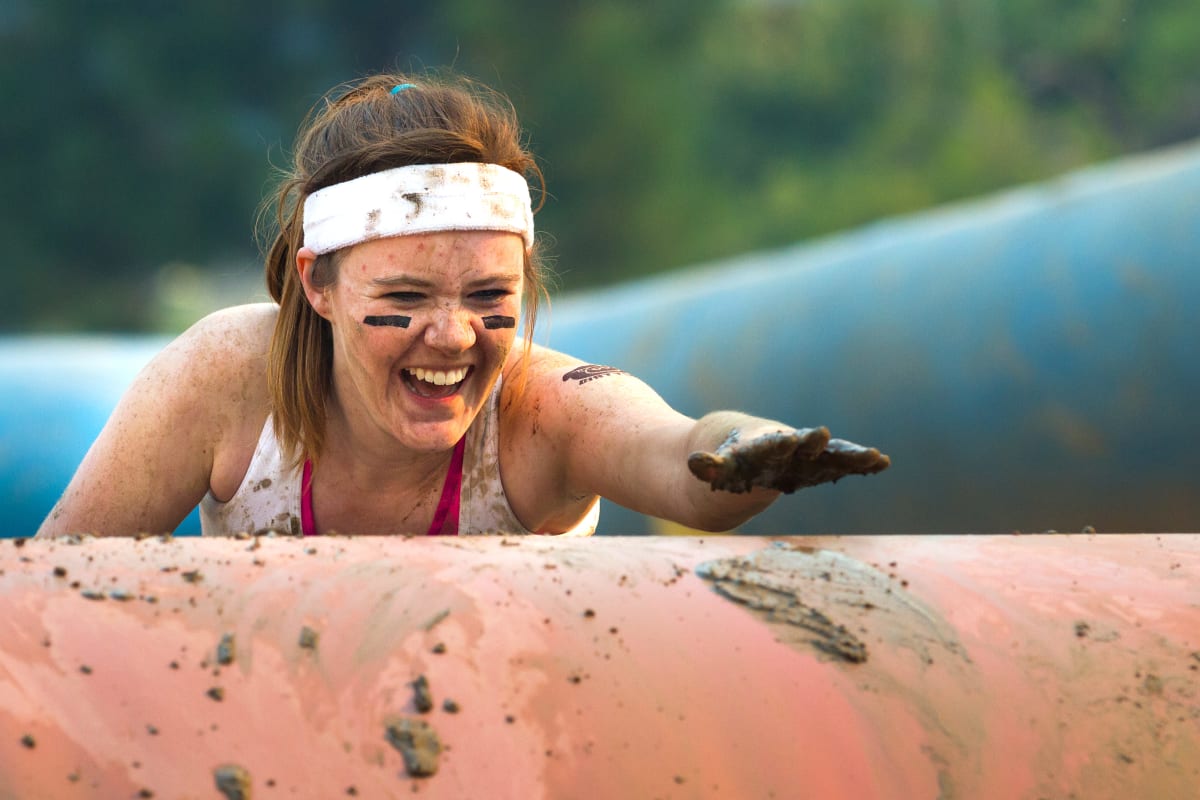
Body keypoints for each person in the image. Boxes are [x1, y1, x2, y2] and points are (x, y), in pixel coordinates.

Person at [37, 71, 889, 539]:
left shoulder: (544, 410)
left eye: (490, 297)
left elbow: (678, 455)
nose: (452, 337)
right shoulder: (229, 376)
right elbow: (46, 586)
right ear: (317, 284)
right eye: (404, 297)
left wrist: (750, 451)